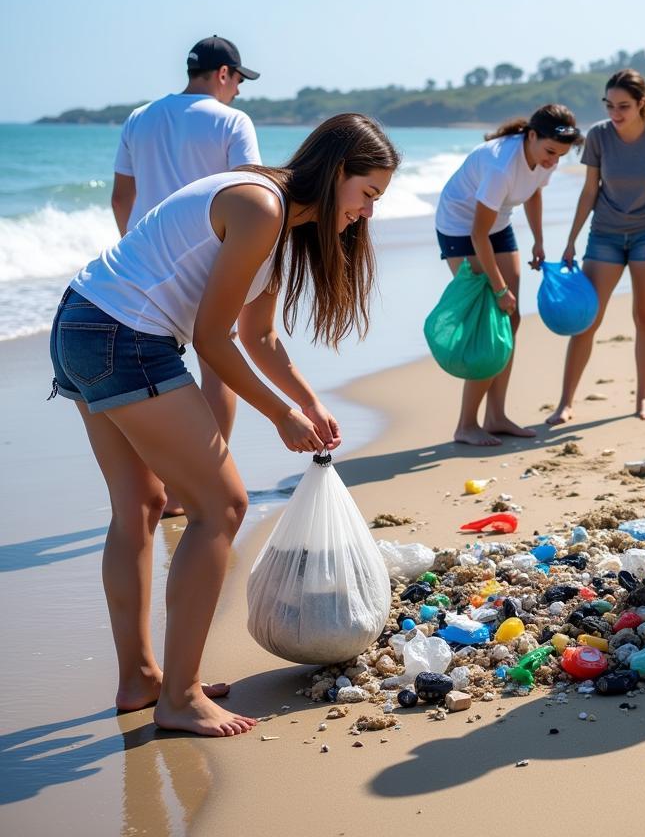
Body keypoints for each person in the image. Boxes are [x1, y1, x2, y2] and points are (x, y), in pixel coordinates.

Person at [48, 113, 400, 735]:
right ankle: (179, 696)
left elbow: (257, 336)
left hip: (83, 322)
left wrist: (308, 401)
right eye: (368, 193)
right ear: (337, 171)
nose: (369, 212)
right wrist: (279, 414)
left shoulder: (281, 223)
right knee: (222, 506)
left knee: (139, 505)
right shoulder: (261, 205)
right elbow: (211, 338)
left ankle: (143, 680)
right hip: (124, 337)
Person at [111, 36, 262, 515]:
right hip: (207, 260)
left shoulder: (140, 117)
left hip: (144, 267)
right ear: (222, 73)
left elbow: (121, 197)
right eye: (238, 79)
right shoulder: (232, 120)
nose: (238, 90)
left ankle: (164, 487)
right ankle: (199, 484)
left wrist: (136, 245)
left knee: (156, 373)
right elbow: (252, 193)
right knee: (216, 363)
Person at [434, 105, 582, 446]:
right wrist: (499, 289)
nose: (552, 162)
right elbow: (476, 234)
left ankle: (496, 416)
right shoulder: (501, 166)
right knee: (491, 322)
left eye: (559, 156)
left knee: (511, 320)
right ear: (531, 136)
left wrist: (539, 240)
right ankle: (466, 424)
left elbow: (534, 191)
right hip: (461, 229)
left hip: (497, 223)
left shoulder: (545, 156)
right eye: (549, 153)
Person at [546, 69, 645, 424]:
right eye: (609, 106)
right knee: (587, 320)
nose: (615, 113)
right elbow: (590, 190)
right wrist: (572, 240)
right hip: (604, 234)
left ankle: (644, 398)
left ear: (641, 104)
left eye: (623, 106)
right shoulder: (599, 137)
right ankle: (565, 403)